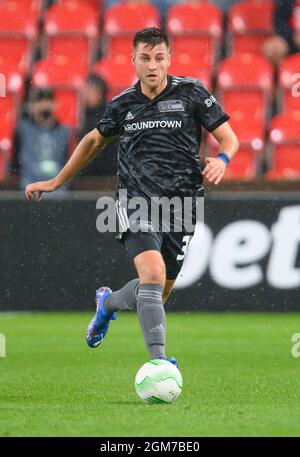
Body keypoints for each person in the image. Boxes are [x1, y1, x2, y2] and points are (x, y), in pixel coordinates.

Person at [25, 28, 239, 366]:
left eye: (158, 58)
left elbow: (229, 139)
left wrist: (222, 160)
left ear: (168, 58)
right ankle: (159, 362)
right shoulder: (123, 104)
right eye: (145, 58)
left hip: (181, 206)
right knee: (152, 275)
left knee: (156, 293)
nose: (152, 66)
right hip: (133, 201)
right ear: (133, 60)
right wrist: (56, 181)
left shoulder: (193, 93)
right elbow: (93, 141)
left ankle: (107, 305)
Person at [12, 87, 71, 191]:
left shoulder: (65, 132)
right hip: (28, 187)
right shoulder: (22, 130)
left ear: (55, 104)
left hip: (58, 191)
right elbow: (15, 162)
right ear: (32, 106)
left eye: (48, 100)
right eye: (40, 101)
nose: (44, 104)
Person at [263, 0, 300, 66]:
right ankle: (282, 74)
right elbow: (279, 21)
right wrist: (292, 35)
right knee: (273, 48)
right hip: (290, 39)